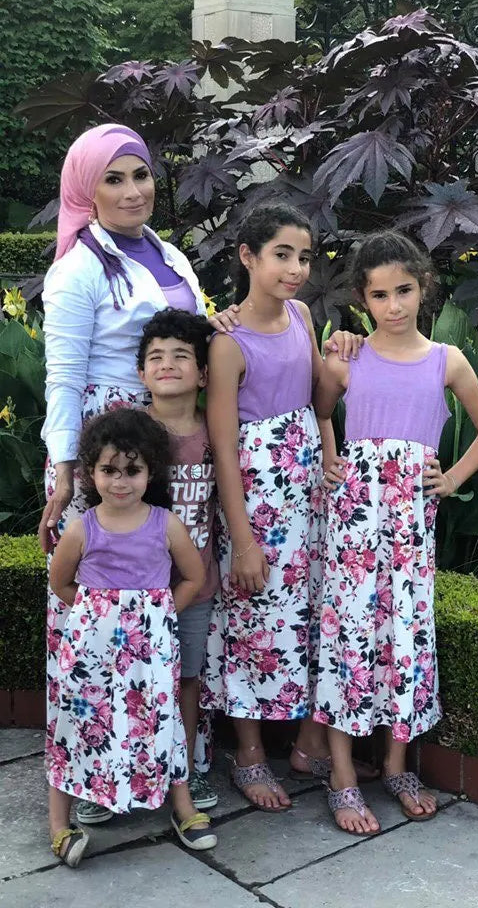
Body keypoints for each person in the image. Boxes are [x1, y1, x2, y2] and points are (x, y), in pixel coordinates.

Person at [38, 123, 239, 825]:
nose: (132, 191)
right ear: (85, 189)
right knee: (96, 622)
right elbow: (61, 379)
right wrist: (65, 475)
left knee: (167, 603)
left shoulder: (169, 255)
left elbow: (198, 335)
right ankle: (94, 770)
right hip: (107, 457)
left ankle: (172, 760)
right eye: (114, 178)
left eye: (141, 175)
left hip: (170, 447)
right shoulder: (77, 269)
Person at [314, 230, 478, 836]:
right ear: (362, 300)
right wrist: (330, 452)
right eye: (379, 295)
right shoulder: (349, 356)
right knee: (350, 637)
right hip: (353, 527)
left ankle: (395, 764)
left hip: (410, 530)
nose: (393, 306)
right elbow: (316, 409)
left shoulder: (447, 360)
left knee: (405, 637)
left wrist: (451, 480)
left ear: (424, 287)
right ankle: (341, 773)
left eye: (404, 291)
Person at [201, 203, 363, 811]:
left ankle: (305, 745)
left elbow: (318, 400)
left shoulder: (300, 315)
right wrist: (241, 539)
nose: (296, 269)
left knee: (312, 612)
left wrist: (338, 364)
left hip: (308, 493)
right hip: (258, 496)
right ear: (247, 256)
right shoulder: (227, 343)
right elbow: (221, 446)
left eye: (304, 256)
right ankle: (247, 753)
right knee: (252, 619)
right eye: (281, 255)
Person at [47, 408, 217, 867]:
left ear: (149, 472)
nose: (120, 482)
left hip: (150, 653)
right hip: (91, 652)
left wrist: (157, 614)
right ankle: (59, 822)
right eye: (108, 470)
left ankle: (181, 805)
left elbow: (193, 576)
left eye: (132, 470)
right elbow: (61, 582)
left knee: (160, 722)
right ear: (90, 472)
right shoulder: (84, 527)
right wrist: (96, 614)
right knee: (80, 725)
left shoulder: (166, 524)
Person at [137, 307, 219, 811]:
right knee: (135, 683)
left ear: (204, 373)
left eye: (182, 355)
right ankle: (124, 769)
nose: (167, 364)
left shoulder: (216, 431)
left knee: (188, 679)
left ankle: (183, 769)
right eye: (155, 357)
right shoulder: (126, 431)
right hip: (136, 593)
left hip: (197, 588)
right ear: (141, 372)